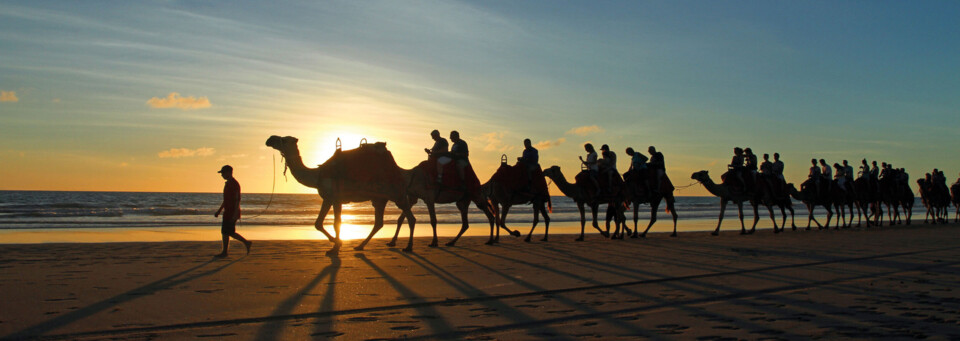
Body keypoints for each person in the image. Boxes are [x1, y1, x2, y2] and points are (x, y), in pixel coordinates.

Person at [214, 165, 251, 258]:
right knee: (226, 232)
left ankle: (245, 243)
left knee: (229, 232)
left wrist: (235, 214)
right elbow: (225, 200)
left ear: (228, 172)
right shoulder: (227, 184)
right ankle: (225, 251)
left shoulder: (234, 184)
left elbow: (237, 200)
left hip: (232, 212)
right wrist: (219, 211)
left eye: (223, 173)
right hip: (227, 212)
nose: (221, 175)